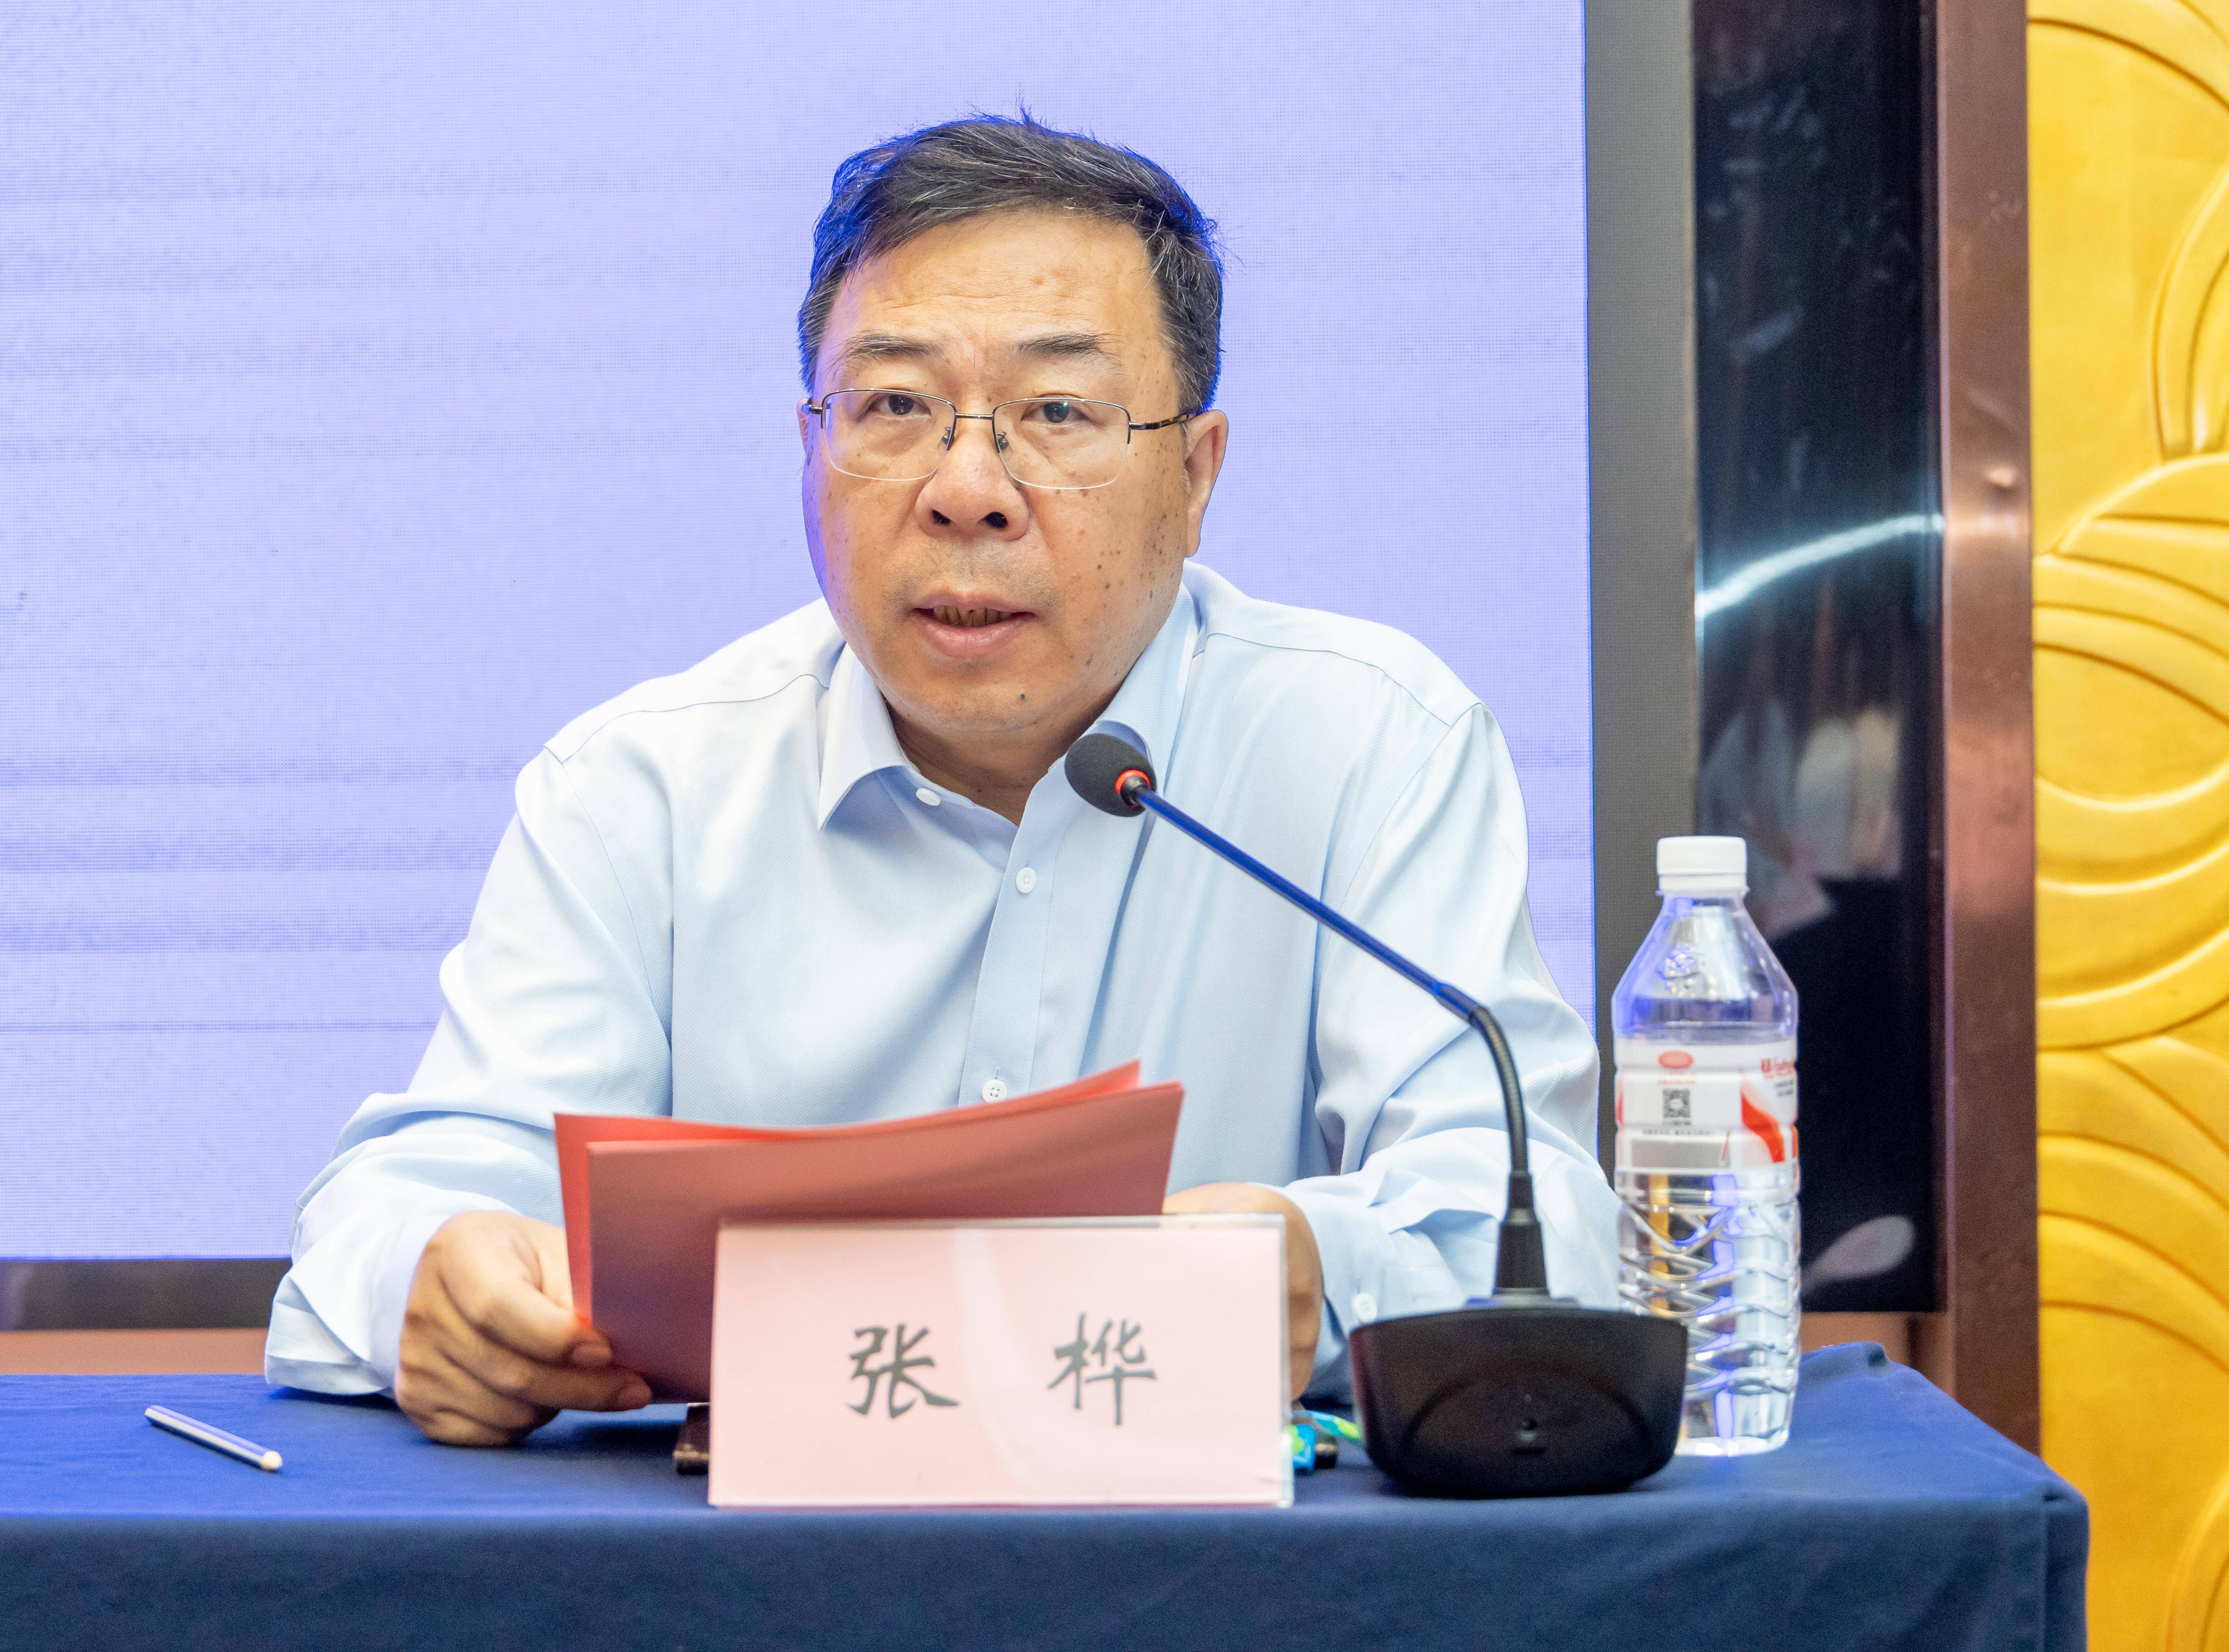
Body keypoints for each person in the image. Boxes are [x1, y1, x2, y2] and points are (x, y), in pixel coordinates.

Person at [263, 115, 1615, 1444]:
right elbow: (414, 1194)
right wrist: (437, 1281)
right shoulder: (642, 788)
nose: (969, 488)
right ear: (810, 448)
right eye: (895, 407)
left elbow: (1539, 1222)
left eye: (1059, 412)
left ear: (1196, 475)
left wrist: (1316, 1276)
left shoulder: (1371, 746)